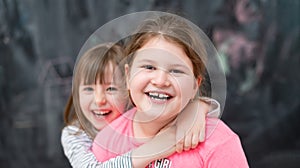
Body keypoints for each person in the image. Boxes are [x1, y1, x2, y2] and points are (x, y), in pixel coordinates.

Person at [92, 14, 249, 167]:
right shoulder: (106, 143)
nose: (160, 81)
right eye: (149, 67)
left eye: (176, 71)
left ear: (196, 85)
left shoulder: (218, 142)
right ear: (127, 76)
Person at [61, 43, 221, 167]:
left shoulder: (140, 112)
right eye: (88, 89)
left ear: (128, 87)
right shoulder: (75, 134)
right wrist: (160, 146)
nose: (99, 99)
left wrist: (198, 107)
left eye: (110, 89)